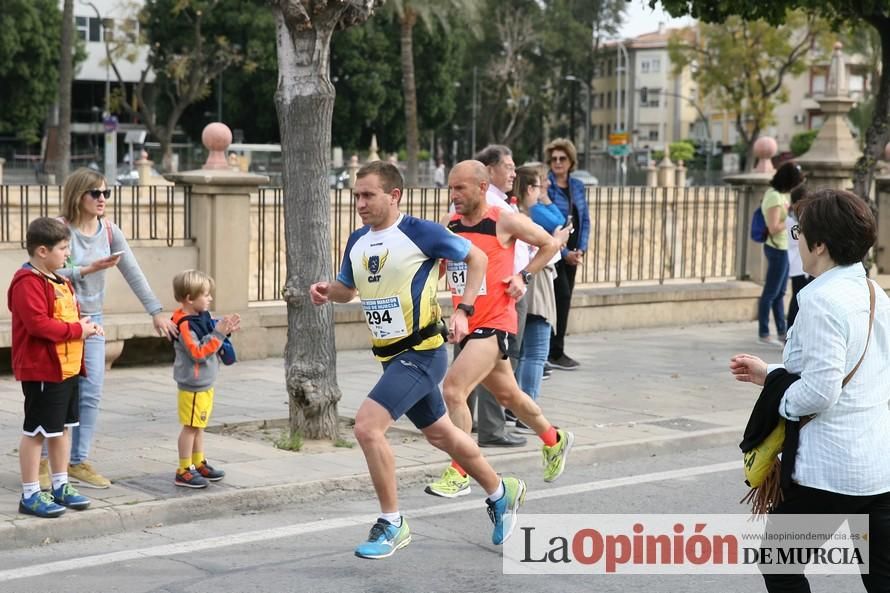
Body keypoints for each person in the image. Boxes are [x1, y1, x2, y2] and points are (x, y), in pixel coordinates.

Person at [309, 161, 526, 559]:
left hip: (423, 353)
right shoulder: (358, 240)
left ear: (394, 196)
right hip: (390, 357)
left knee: (367, 427)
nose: (360, 203)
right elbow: (348, 290)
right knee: (442, 435)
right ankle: (501, 490)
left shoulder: (421, 232)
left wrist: (463, 309)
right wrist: (327, 289)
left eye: (368, 195)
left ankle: (392, 522)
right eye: (357, 195)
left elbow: (476, 258)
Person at [729, 188, 890, 592]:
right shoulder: (874, 293)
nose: (794, 238)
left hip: (829, 471)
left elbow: (820, 391)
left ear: (819, 244)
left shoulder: (820, 301)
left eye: (798, 231)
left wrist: (778, 397)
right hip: (877, 468)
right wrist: (771, 373)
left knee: (779, 565)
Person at [425, 160, 574, 499]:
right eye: (450, 188)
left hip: (496, 322)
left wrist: (524, 276)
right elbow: (440, 267)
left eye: (460, 188)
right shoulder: (450, 224)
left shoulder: (503, 220)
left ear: (481, 187)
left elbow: (550, 244)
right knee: (509, 395)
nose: (454, 195)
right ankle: (554, 439)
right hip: (468, 324)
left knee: (452, 390)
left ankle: (459, 471)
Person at [50, 168, 178, 489]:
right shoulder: (60, 229)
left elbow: (133, 272)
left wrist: (156, 312)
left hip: (94, 322)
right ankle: (46, 459)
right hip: (62, 323)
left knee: (91, 393)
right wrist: (88, 268)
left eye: (106, 193)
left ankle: (78, 461)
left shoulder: (109, 231)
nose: (102, 199)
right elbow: (48, 270)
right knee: (59, 392)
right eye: (96, 193)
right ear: (78, 195)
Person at [9, 217, 99, 517]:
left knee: (62, 429)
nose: (68, 255)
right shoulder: (27, 282)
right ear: (43, 251)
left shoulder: (60, 279)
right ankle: (31, 493)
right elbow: (38, 325)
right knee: (36, 431)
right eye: (63, 248)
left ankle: (61, 486)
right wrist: (78, 331)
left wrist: (82, 326)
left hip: (67, 368)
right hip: (43, 370)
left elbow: (64, 319)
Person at [467, 144, 526, 447]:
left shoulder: (499, 204)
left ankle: (467, 426)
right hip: (500, 293)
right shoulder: (493, 208)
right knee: (497, 362)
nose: (514, 173)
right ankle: (491, 428)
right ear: (489, 171)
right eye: (509, 166)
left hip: (492, 290)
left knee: (479, 363)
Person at [171, 269, 241, 488]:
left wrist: (224, 330)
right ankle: (183, 469)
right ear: (190, 298)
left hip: (205, 383)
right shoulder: (186, 325)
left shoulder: (201, 317)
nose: (210, 298)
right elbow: (198, 352)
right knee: (190, 427)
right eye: (206, 294)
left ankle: (198, 461)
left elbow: (211, 334)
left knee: (198, 426)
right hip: (193, 384)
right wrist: (218, 334)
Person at [512, 163, 568, 431]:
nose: (541, 190)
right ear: (528, 189)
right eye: (536, 186)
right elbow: (551, 240)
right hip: (536, 282)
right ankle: (528, 412)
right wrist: (557, 240)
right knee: (534, 352)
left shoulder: (513, 213)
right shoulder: (527, 217)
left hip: (522, 284)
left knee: (521, 352)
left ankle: (517, 410)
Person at [545, 138, 590, 371]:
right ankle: (551, 351)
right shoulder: (547, 186)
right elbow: (545, 223)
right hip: (554, 251)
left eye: (562, 159)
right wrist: (564, 253)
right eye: (554, 159)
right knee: (558, 297)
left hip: (574, 252)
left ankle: (557, 350)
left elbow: (586, 219)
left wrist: (581, 248)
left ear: (571, 161)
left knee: (565, 300)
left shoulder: (578, 186)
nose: (558, 163)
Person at [757, 161, 803, 347]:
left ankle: (782, 331)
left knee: (780, 292)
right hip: (776, 248)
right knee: (771, 292)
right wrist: (790, 220)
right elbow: (774, 227)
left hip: (783, 248)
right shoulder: (775, 197)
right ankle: (764, 332)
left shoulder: (781, 195)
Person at [786, 184, 811, 329]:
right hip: (797, 264)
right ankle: (791, 330)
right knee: (797, 299)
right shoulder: (791, 220)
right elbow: (795, 240)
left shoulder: (802, 218)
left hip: (805, 265)